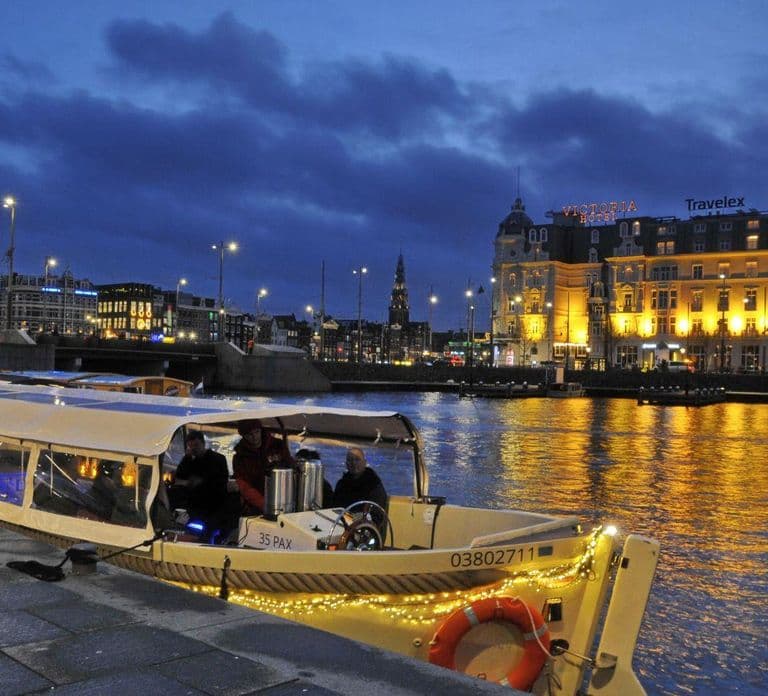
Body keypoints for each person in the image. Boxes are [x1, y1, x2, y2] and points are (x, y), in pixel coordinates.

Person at [169, 430, 229, 537]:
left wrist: (201, 482)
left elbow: (221, 481)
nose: (194, 448)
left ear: (203, 443)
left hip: (213, 502)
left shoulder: (217, 459)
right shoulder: (191, 461)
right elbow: (179, 475)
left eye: (196, 445)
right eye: (190, 446)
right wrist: (187, 458)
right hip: (194, 502)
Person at [233, 419, 295, 515]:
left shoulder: (278, 446)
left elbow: (290, 467)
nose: (254, 437)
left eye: (257, 432)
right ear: (243, 436)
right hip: (256, 505)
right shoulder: (240, 457)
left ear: (261, 430)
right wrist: (264, 504)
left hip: (284, 498)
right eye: (249, 434)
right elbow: (244, 485)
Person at [333, 447, 388, 512]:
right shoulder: (341, 484)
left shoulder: (374, 485)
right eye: (350, 460)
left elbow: (377, 513)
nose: (354, 463)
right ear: (346, 464)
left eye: (357, 459)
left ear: (364, 462)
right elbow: (334, 507)